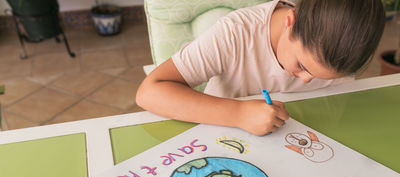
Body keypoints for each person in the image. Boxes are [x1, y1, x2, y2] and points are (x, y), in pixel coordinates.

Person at [136, 0, 385, 136]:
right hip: (222, 139)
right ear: (291, 22)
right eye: (301, 66)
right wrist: (238, 114)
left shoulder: (344, 49)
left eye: (321, 77)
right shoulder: (234, 34)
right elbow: (149, 92)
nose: (306, 80)